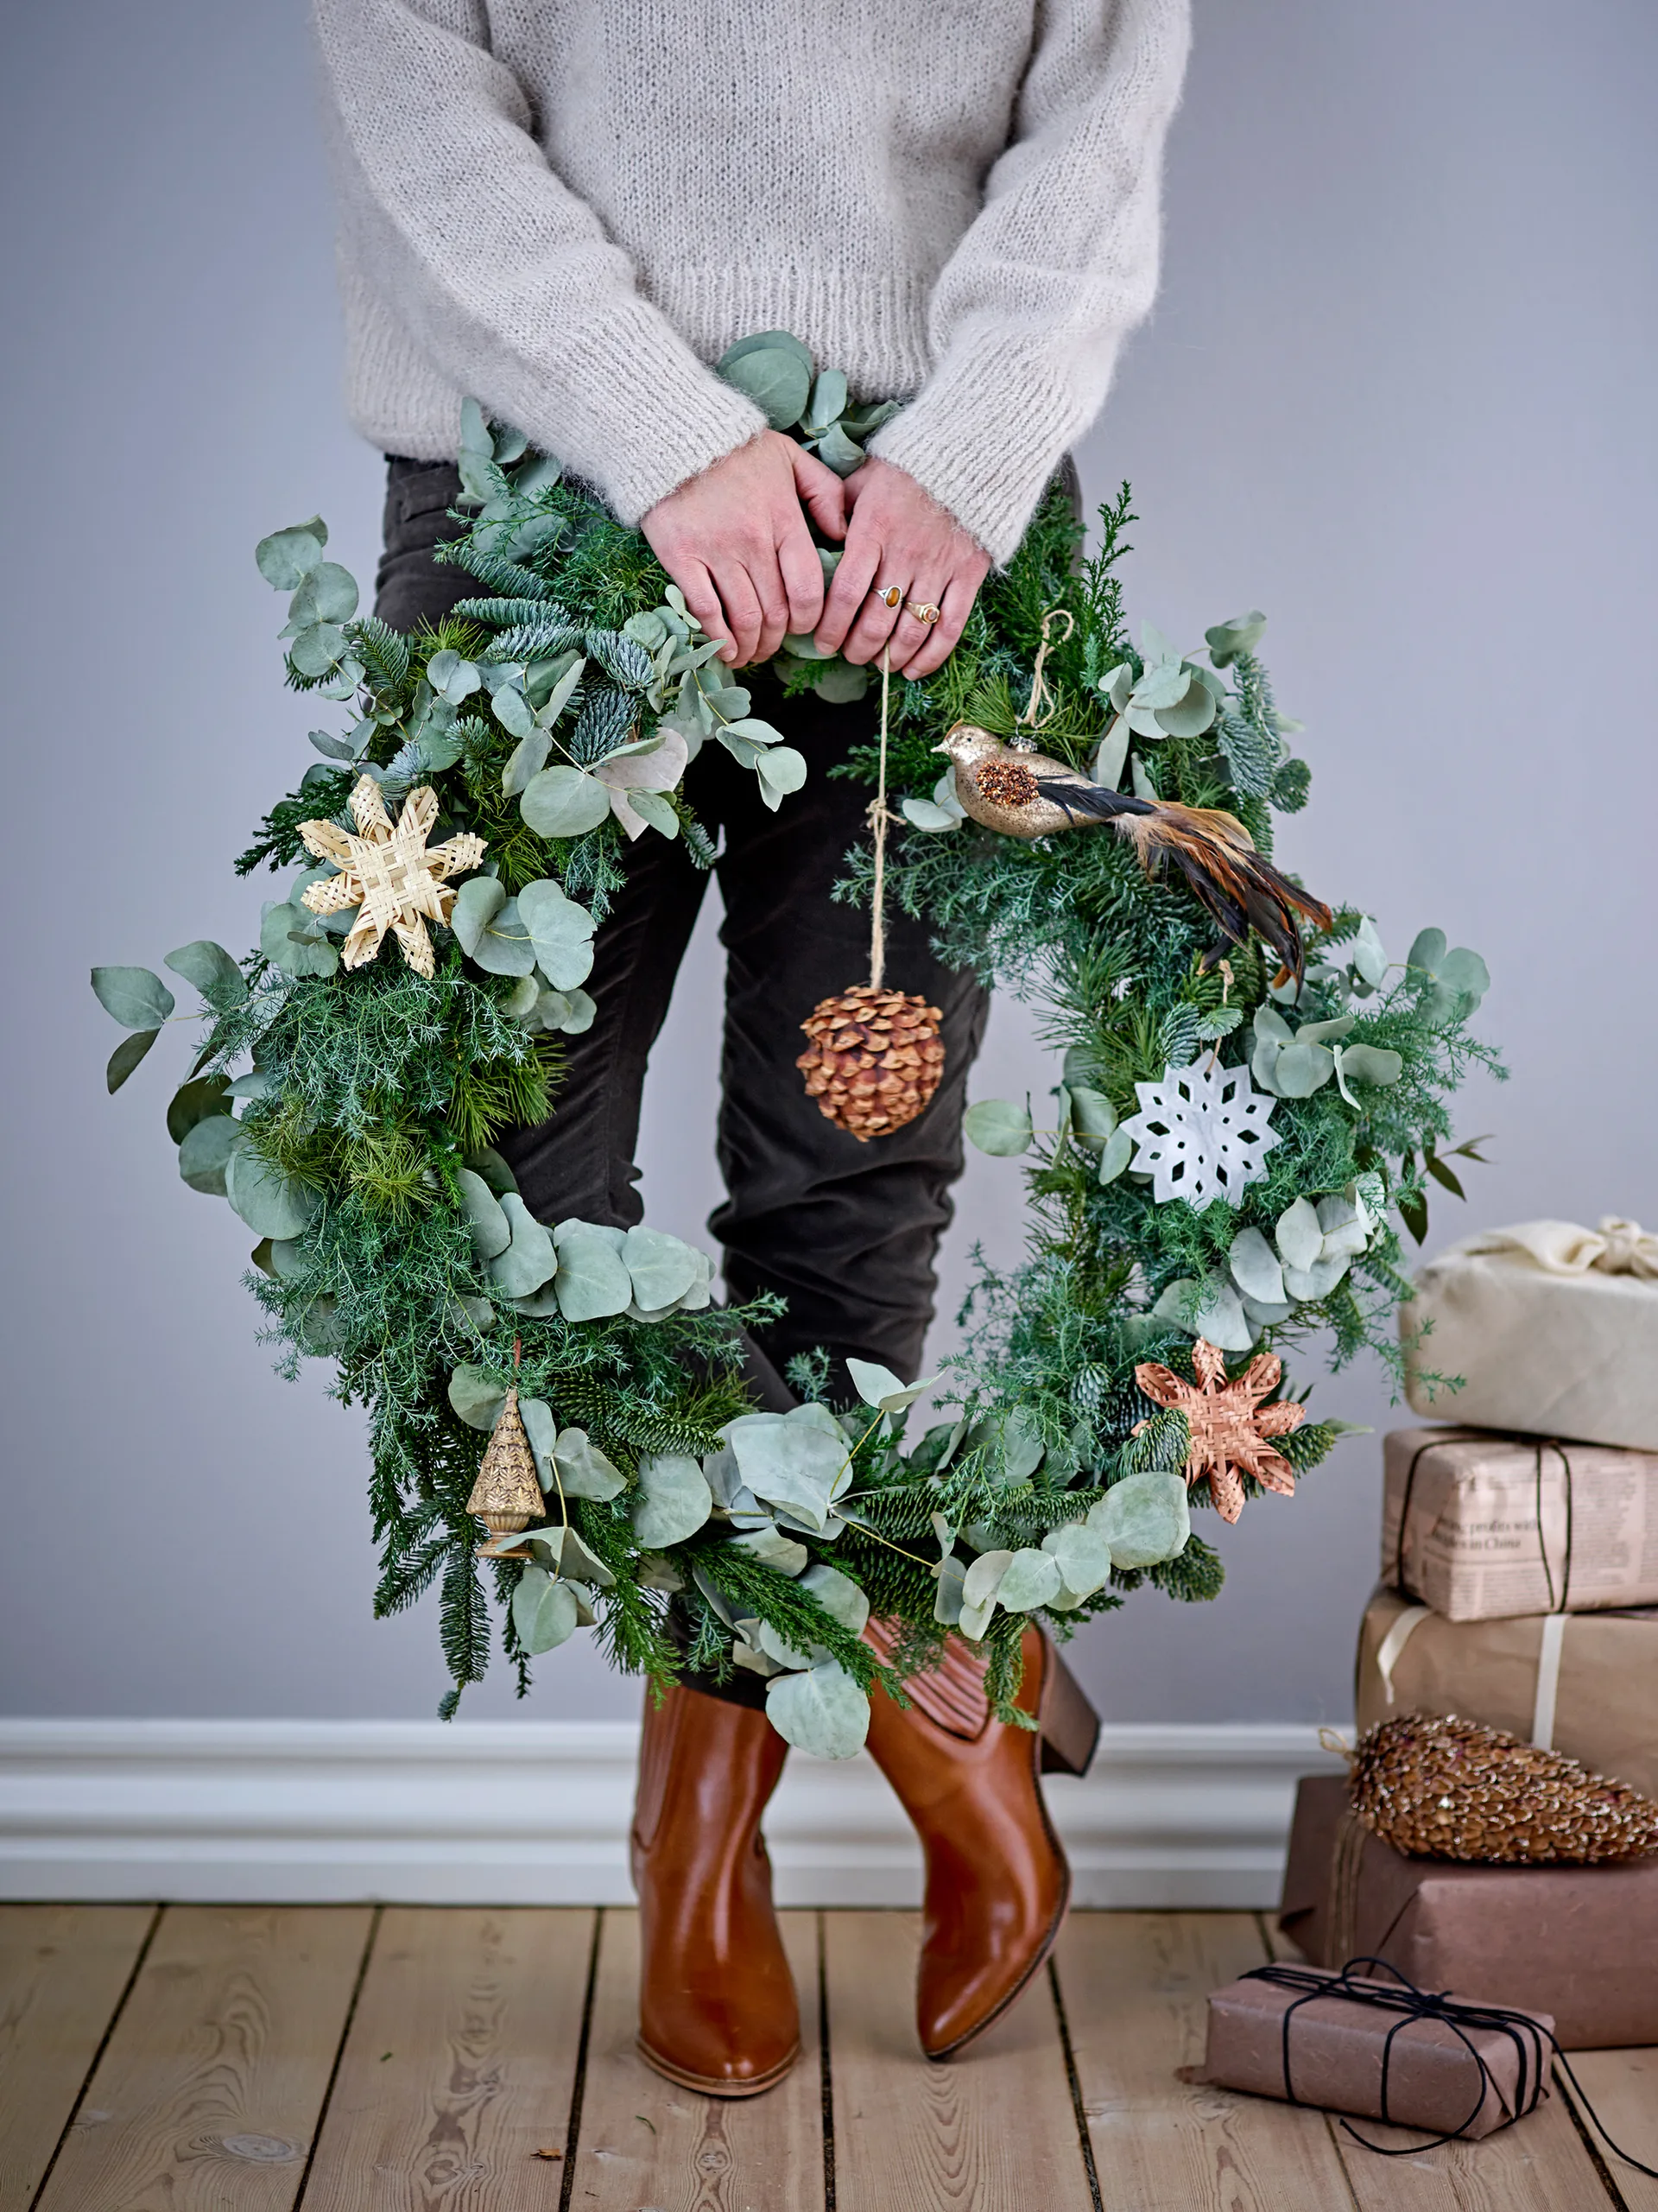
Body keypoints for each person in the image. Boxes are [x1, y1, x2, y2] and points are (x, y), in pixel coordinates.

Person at [313, 0, 1191, 2097]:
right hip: (534, 504)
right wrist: (667, 430)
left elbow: (1096, 131)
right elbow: (413, 102)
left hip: (928, 537)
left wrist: (968, 460)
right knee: (488, 1219)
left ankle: (695, 1845)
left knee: (845, 1192)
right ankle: (939, 1681)